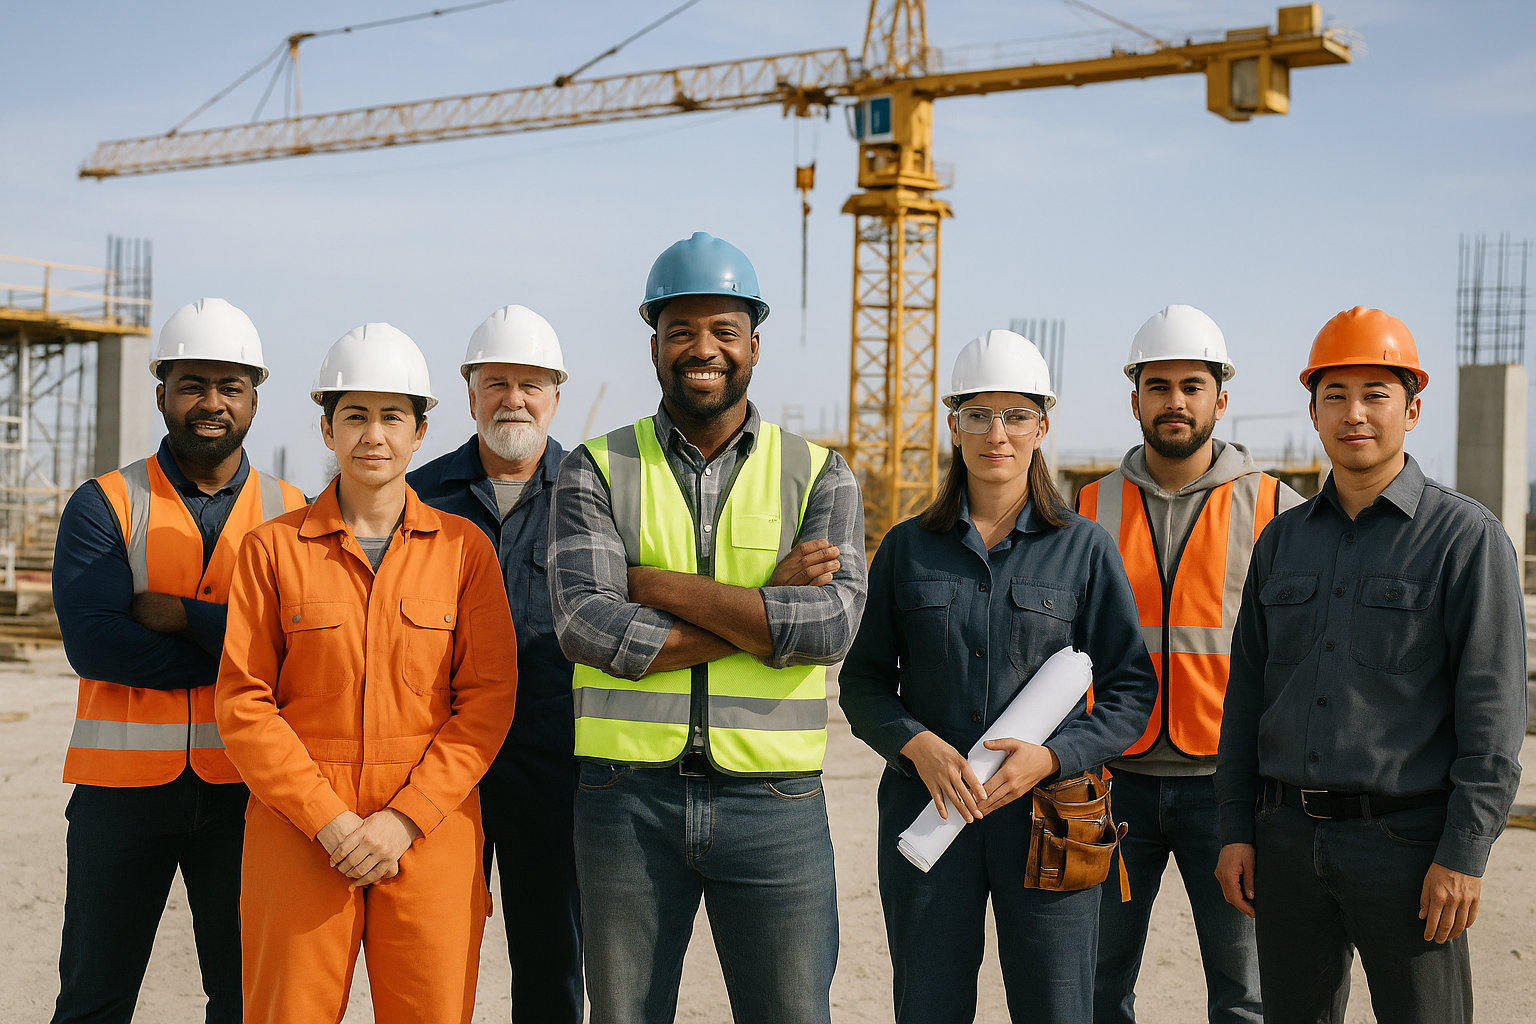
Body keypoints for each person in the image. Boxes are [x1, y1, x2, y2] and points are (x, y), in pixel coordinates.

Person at [549, 231, 867, 1024]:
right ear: (654, 344)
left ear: (754, 344)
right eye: (681, 331)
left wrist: (655, 586)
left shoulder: (820, 473)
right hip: (626, 799)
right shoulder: (595, 467)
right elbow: (590, 628)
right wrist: (766, 608)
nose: (704, 349)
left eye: (724, 331)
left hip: (776, 800)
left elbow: (830, 626)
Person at [1214, 307, 1528, 1024]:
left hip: (1409, 850)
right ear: (1315, 412)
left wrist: (1464, 852)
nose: (1354, 414)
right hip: (1285, 846)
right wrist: (1237, 828)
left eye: (1375, 395)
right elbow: (1247, 700)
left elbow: (1494, 718)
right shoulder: (1280, 543)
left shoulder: (1465, 540)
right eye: (1336, 396)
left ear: (1412, 409)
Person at [840, 329, 1157, 1024]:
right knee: (929, 1006)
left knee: (1057, 1009)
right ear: (954, 425)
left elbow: (1133, 691)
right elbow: (862, 683)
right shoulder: (907, 548)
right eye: (979, 414)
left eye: (1016, 415)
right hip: (932, 812)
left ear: (1043, 426)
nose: (997, 434)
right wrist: (913, 743)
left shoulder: (1085, 550)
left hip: (1050, 821)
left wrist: (1052, 755)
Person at [214, 322, 519, 1024]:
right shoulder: (272, 552)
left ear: (418, 434)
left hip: (429, 829)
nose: (372, 435)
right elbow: (244, 703)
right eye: (355, 416)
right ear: (326, 429)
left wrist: (403, 822)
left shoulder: (464, 552)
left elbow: (487, 700)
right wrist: (328, 821)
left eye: (392, 417)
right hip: (300, 829)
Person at [49, 298, 305, 1024]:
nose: (211, 403)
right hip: (120, 792)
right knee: (94, 996)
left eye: (230, 387)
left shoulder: (293, 512)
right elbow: (94, 644)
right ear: (161, 392)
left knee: (248, 996)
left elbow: (309, 652)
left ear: (255, 397)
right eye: (193, 384)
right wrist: (244, 652)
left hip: (251, 791)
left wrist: (185, 616)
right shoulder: (105, 504)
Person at [1083, 305, 1303, 1024]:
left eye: (1191, 386)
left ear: (1220, 398)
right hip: (1113, 787)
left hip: (1230, 792)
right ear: (1136, 397)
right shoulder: (1086, 509)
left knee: (1245, 992)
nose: (1175, 400)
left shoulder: (1277, 509)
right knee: (1097, 982)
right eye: (1159, 385)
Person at [409, 304, 582, 1023]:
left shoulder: (596, 494)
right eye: (497, 381)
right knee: (433, 957)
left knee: (551, 961)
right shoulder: (417, 495)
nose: (514, 398)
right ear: (471, 390)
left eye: (530, 384)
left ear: (555, 396)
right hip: (442, 768)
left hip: (558, 766)